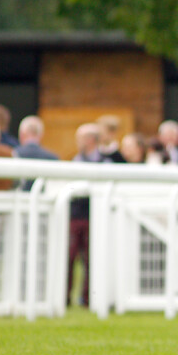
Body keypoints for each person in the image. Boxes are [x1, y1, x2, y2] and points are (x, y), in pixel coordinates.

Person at [67, 123, 108, 307]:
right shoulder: (75, 160)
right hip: (75, 216)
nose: (78, 142)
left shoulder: (105, 163)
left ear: (91, 140)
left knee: (92, 260)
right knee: (69, 257)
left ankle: (88, 299)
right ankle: (65, 298)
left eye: (81, 138)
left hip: (95, 218)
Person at [15, 115, 59, 190]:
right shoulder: (53, 158)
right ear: (41, 135)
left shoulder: (13, 154)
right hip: (43, 200)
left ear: (21, 134)